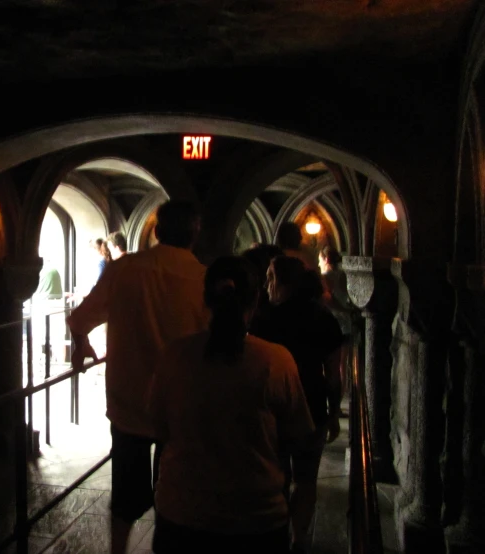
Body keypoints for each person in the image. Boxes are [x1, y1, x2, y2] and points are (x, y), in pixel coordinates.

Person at [67, 200, 210, 554]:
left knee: (125, 493)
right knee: (175, 494)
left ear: (157, 232)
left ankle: (118, 550)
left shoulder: (124, 269)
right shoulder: (205, 280)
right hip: (180, 406)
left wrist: (82, 343)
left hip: (128, 401)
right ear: (196, 234)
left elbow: (81, 318)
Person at [149, 256, 315, 553]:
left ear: (205, 301)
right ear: (253, 304)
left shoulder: (175, 356)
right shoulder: (275, 361)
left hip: (182, 514)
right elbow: (298, 439)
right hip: (256, 519)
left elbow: (160, 432)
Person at [250, 255, 344, 553]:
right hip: (312, 405)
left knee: (276, 476)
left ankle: (276, 533)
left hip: (272, 409)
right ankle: (299, 538)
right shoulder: (323, 318)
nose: (265, 285)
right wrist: (332, 413)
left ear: (280, 281)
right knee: (306, 480)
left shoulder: (263, 320)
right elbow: (333, 374)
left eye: (269, 278)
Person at [318, 246, 355, 399]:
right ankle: (340, 400)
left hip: (333, 324)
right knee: (343, 365)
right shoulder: (345, 275)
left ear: (326, 259)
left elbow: (327, 301)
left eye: (320, 260)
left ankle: (334, 401)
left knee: (330, 366)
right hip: (347, 324)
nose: (319, 263)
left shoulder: (325, 277)